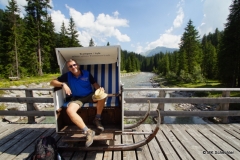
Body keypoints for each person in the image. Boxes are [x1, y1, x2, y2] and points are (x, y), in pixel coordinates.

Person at [50, 59, 107, 147]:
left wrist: (100, 89)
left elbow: (94, 84)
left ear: (78, 65)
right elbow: (52, 82)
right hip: (77, 98)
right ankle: (88, 131)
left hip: (89, 95)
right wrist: (63, 84)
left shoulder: (86, 73)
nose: (73, 67)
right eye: (70, 66)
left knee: (102, 96)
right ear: (69, 69)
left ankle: (97, 119)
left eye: (74, 65)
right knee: (69, 110)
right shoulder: (67, 75)